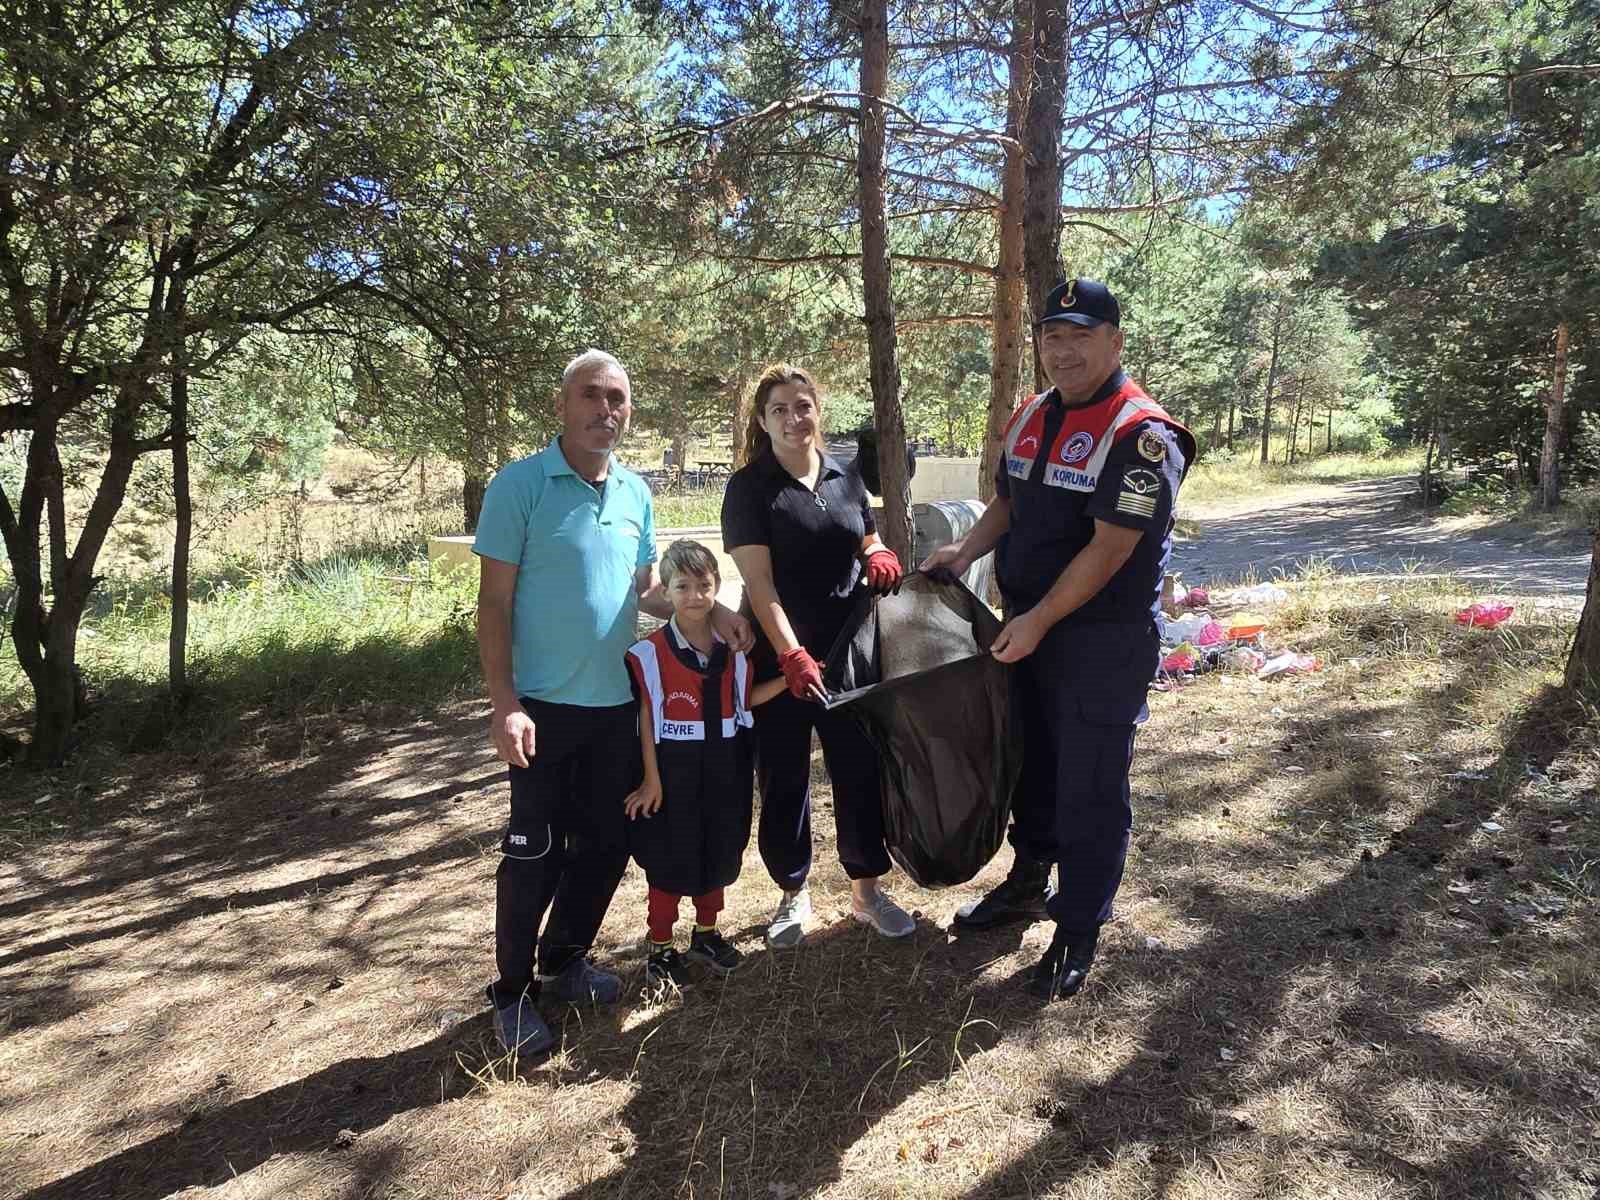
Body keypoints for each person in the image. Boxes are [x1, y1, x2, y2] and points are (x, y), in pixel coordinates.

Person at [921, 279, 1196, 1000]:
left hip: (1098, 643)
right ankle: (1026, 882)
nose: (1063, 350)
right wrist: (962, 553)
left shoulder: (1141, 433)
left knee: (1090, 786)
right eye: (1052, 336)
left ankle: (1078, 925)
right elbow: (1009, 502)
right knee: (1031, 768)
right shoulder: (1033, 415)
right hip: (1027, 632)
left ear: (1115, 341)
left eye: (1080, 335)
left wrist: (1039, 620)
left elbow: (1110, 550)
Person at [474, 349, 753, 1055]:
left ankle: (565, 959)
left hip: (619, 709)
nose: (607, 410)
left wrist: (709, 612)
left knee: (606, 844)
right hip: (541, 708)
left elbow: (647, 592)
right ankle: (511, 994)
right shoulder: (520, 486)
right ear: (563, 405)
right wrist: (505, 702)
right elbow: (494, 603)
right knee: (533, 851)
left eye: (619, 399)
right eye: (592, 396)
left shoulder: (635, 492)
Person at [720, 363, 914, 948]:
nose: (792, 418)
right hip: (784, 657)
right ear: (762, 420)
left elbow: (863, 531)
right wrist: (791, 656)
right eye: (779, 408)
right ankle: (791, 890)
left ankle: (867, 891)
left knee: (859, 767)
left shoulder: (844, 475)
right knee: (783, 774)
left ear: (817, 411)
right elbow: (759, 585)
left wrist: (877, 551)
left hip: (850, 649)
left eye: (802, 406)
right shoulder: (751, 488)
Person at [622, 539, 787, 987]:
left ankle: (707, 934)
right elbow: (646, 719)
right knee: (669, 859)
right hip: (673, 775)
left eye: (704, 585)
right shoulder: (648, 654)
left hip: (725, 770)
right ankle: (660, 945)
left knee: (719, 850)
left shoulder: (734, 653)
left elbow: (744, 701)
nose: (694, 596)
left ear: (716, 587)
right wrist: (651, 781)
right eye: (682, 586)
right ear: (666, 592)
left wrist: (787, 682)